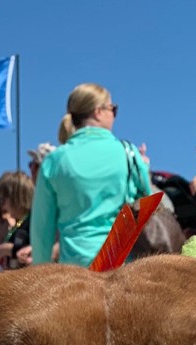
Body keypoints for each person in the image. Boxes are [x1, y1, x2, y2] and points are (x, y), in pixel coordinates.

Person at [30, 83, 152, 267]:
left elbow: (42, 230)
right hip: (122, 266)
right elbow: (147, 206)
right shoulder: (129, 153)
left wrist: (39, 272)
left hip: (75, 270)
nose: (114, 115)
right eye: (113, 109)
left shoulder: (54, 161)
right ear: (98, 112)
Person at [0, 170, 36, 272]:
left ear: (17, 197)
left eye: (3, 199)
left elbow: (39, 250)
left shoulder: (34, 221)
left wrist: (8, 249)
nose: (1, 205)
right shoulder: (20, 223)